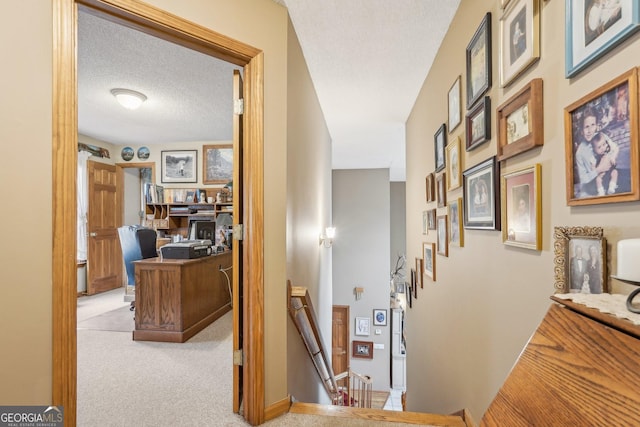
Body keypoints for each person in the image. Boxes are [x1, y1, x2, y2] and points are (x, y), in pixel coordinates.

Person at [574, 108, 615, 197]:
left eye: (593, 125)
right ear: (582, 130)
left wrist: (611, 157)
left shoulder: (601, 136)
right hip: (593, 189)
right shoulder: (580, 153)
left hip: (609, 179)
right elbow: (583, 179)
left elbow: (614, 148)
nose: (590, 130)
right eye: (586, 127)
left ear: (596, 125)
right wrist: (599, 169)